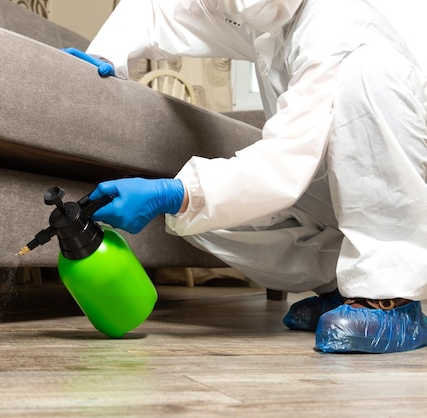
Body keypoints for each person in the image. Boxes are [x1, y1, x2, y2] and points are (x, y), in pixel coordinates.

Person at [64, 0, 427, 354]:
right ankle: (342, 286)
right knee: (203, 218)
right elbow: (163, 9)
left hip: (406, 196)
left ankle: (387, 294)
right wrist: (107, 55)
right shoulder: (270, 18)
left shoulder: (338, 24)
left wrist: (174, 192)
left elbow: (286, 161)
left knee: (368, 72)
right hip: (323, 177)